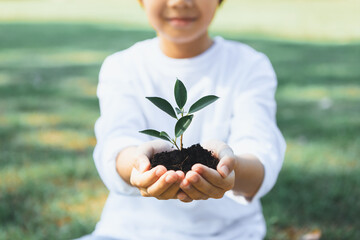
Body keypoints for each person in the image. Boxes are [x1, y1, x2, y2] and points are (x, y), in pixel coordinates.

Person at [78, 0, 286, 239]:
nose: (179, 2)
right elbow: (115, 144)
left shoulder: (249, 65)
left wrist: (231, 166)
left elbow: (260, 156)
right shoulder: (122, 67)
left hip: (227, 233)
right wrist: (139, 165)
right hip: (128, 231)